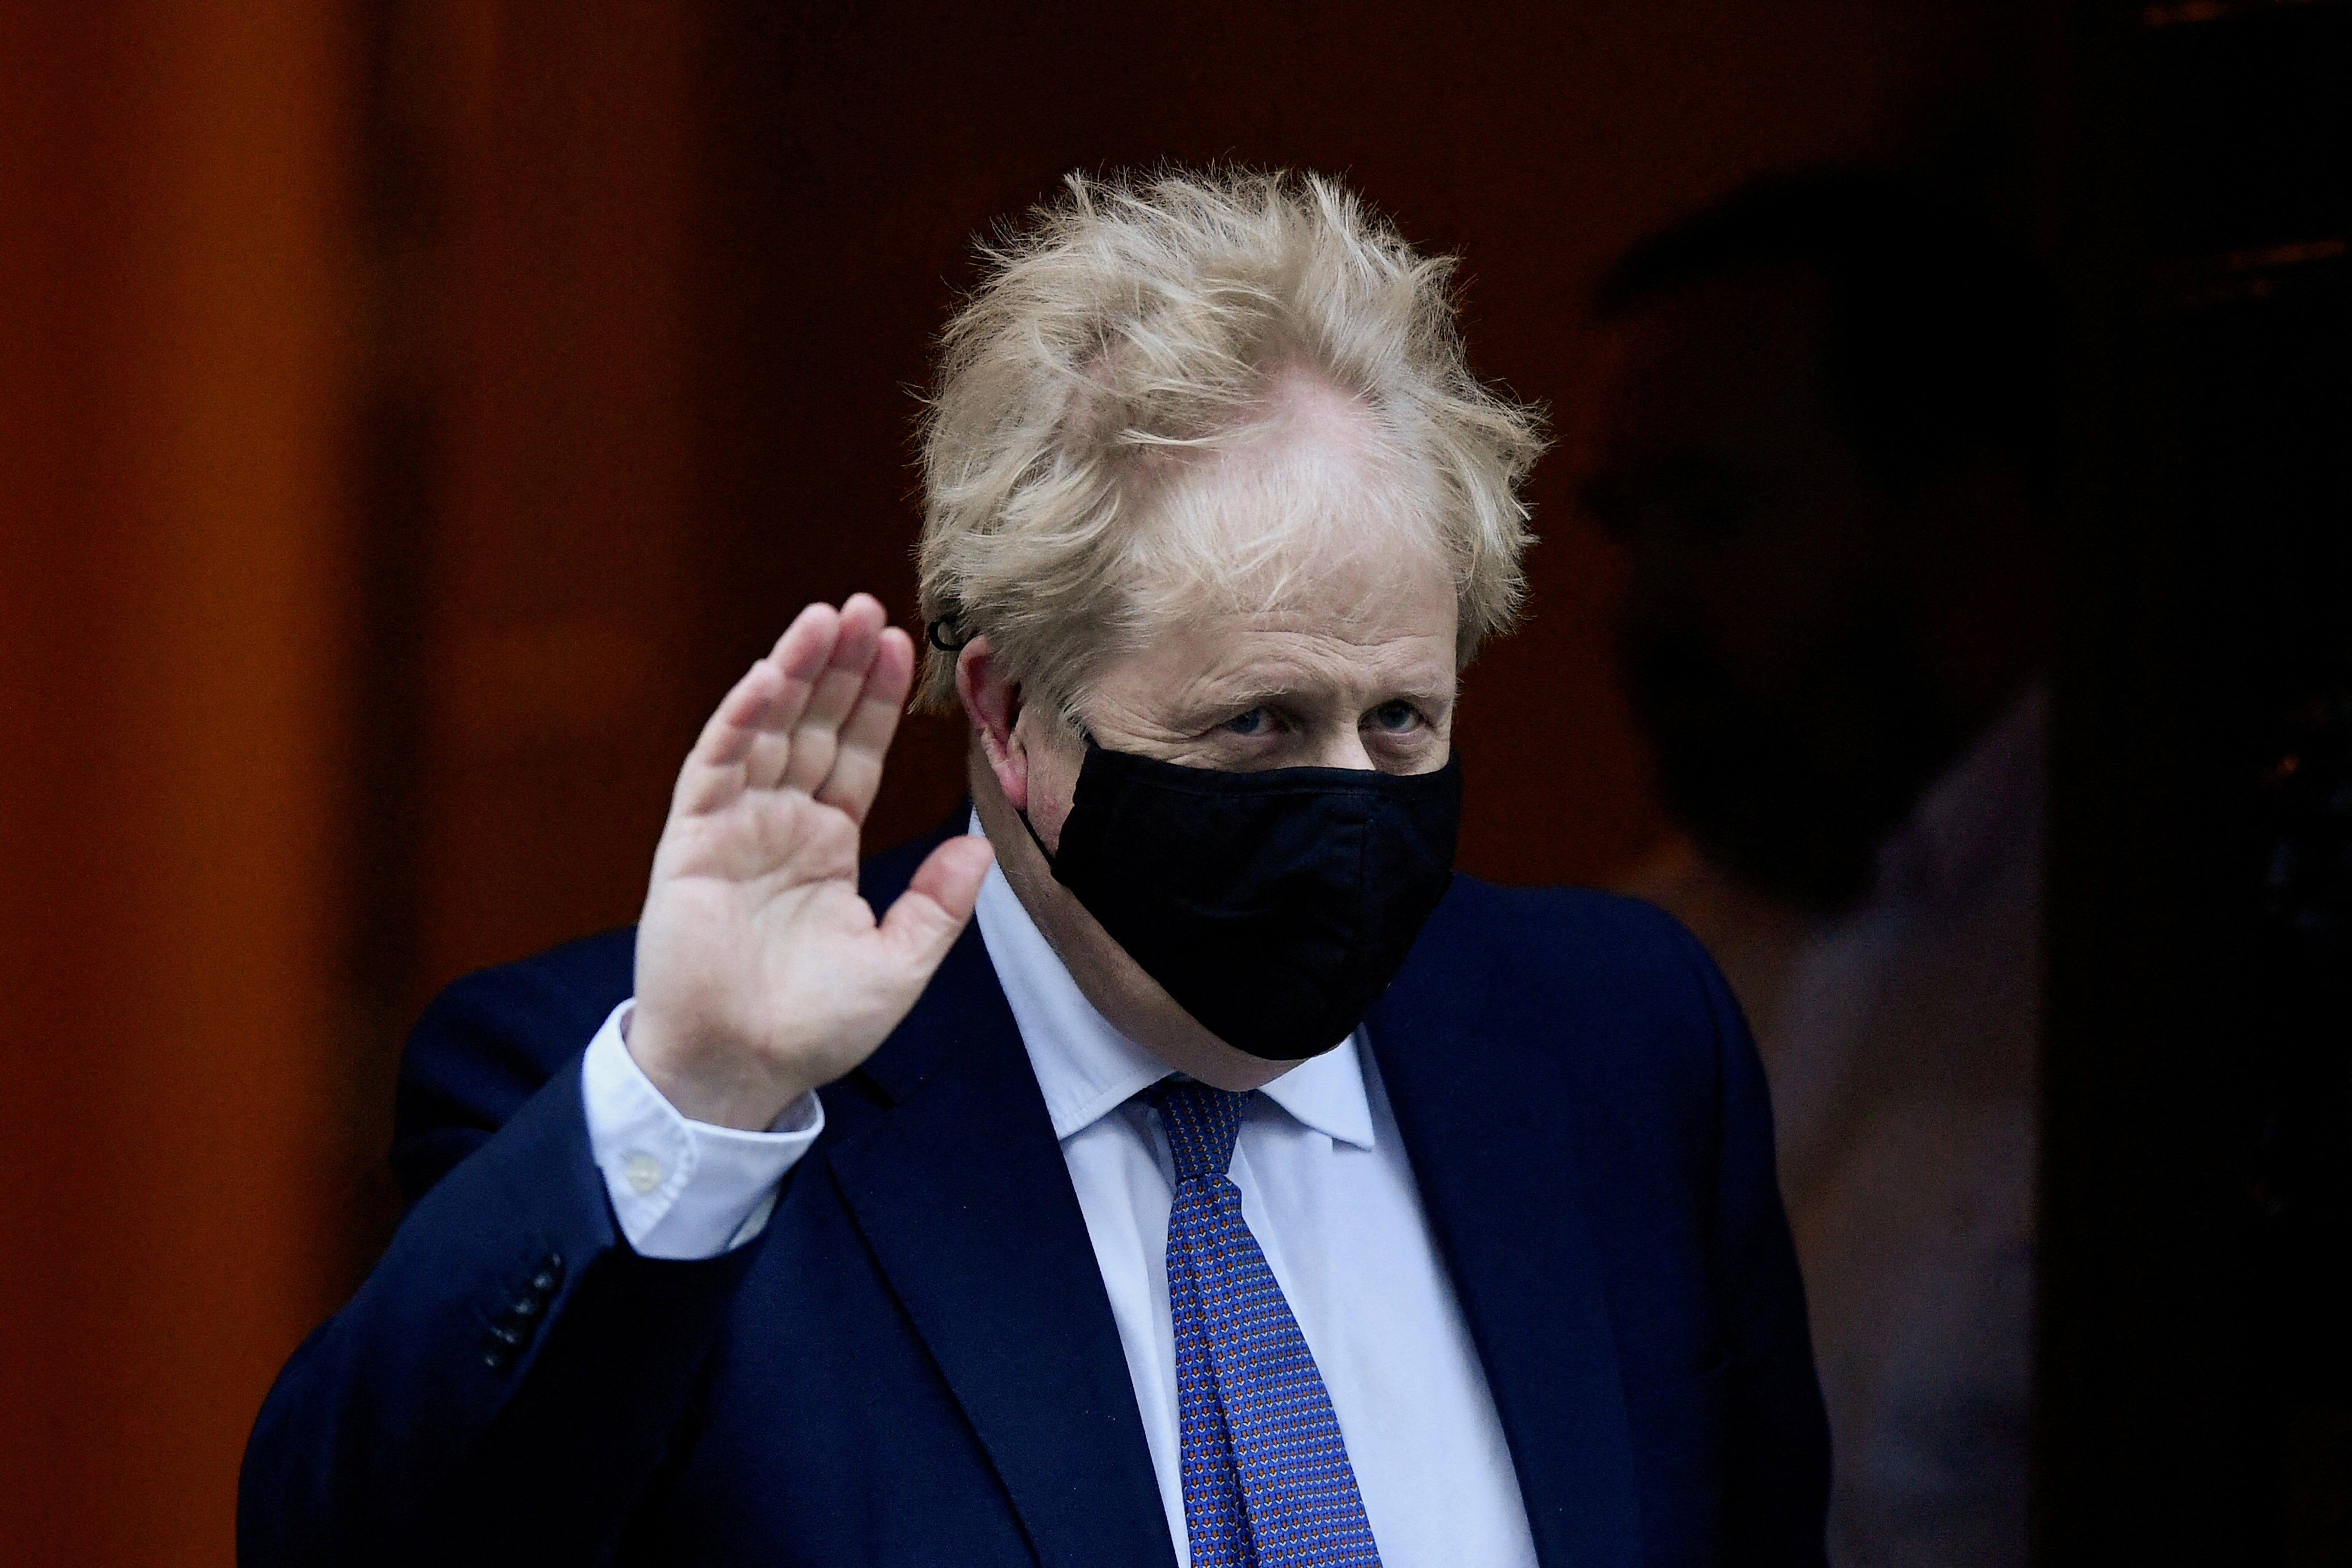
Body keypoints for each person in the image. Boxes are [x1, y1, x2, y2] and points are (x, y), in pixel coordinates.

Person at [241, 168, 1828, 1567]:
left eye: (1400, 720)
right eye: (1256, 724)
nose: (1347, 800)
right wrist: (699, 1100)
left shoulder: (1617, 1047)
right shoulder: (674, 1100)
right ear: (1008, 713)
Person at [1574, 171, 2059, 1568]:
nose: (1640, 608)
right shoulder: (1616, 988)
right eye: (1624, 525)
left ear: (1960, 524)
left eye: (1715, 514)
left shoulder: (2148, 959)